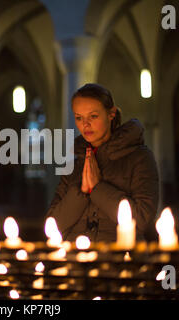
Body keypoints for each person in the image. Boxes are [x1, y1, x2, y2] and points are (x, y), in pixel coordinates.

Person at [45, 83, 159, 242]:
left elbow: (141, 220)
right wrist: (82, 192)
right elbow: (52, 225)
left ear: (111, 114)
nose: (85, 124)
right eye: (79, 117)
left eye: (93, 116)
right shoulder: (75, 163)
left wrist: (98, 189)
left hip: (119, 258)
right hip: (75, 258)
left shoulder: (139, 157)